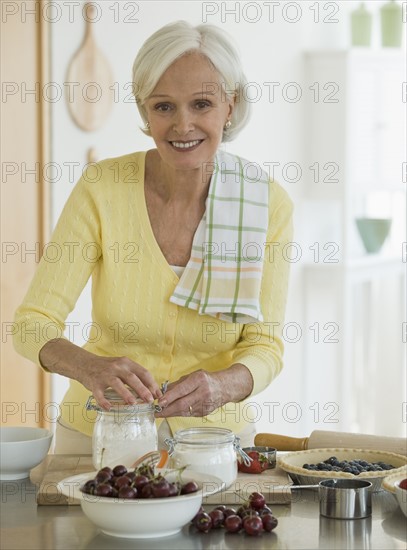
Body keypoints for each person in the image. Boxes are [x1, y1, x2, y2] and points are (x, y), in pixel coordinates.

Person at [13, 20, 293, 453]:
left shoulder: (267, 203)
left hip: (215, 442)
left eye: (202, 104)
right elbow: (31, 325)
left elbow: (265, 346)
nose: (183, 126)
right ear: (144, 111)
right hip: (97, 436)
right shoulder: (102, 188)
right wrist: (88, 367)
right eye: (164, 107)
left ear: (230, 106)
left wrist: (222, 386)